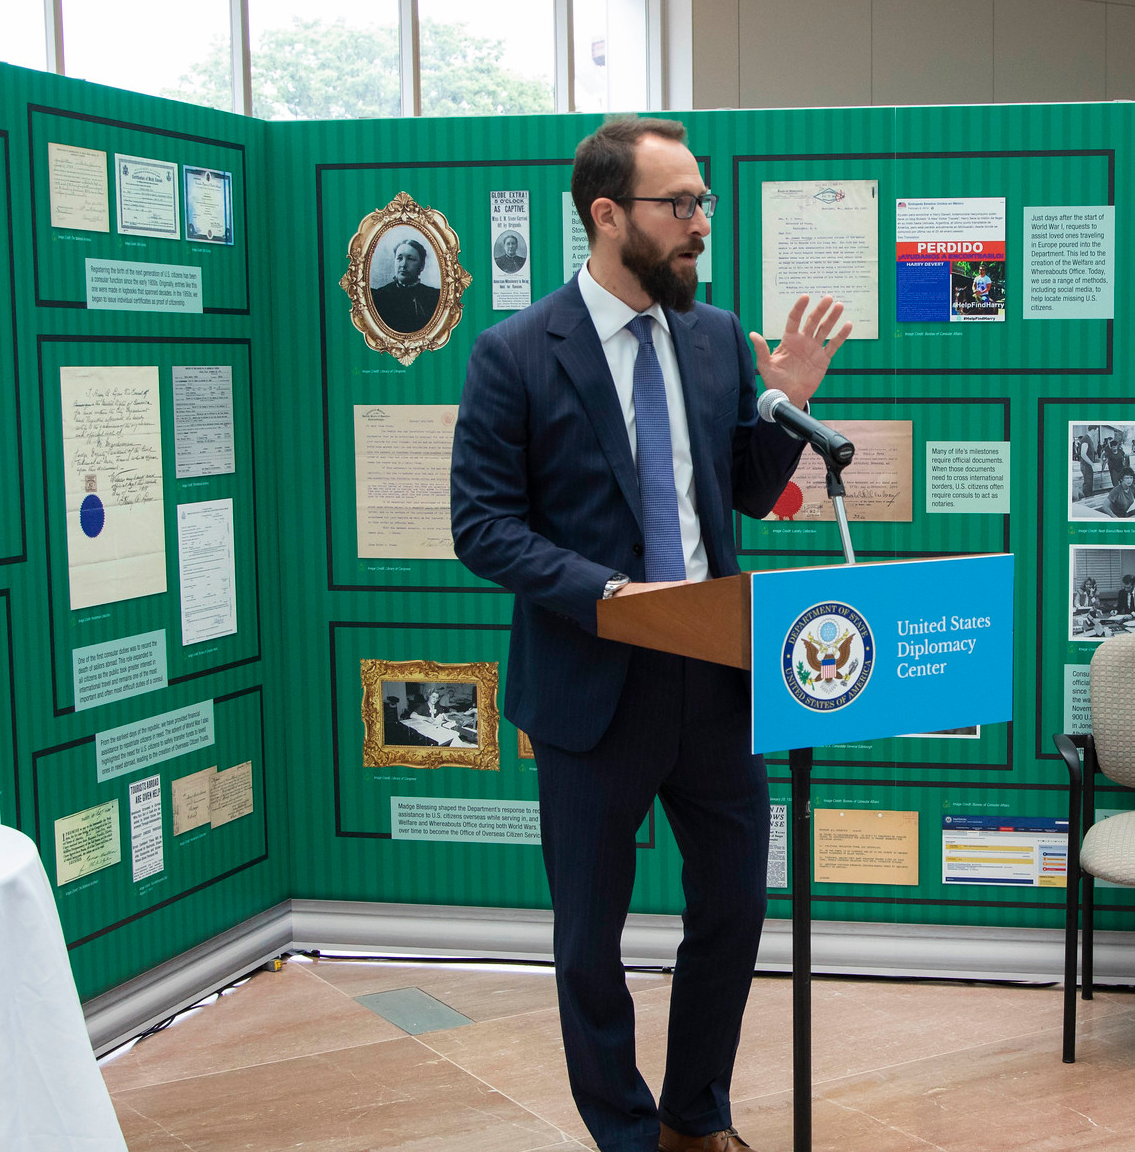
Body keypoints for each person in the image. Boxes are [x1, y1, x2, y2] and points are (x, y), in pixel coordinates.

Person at [451, 116, 851, 1152]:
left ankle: (691, 1117)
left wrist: (788, 410)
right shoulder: (514, 354)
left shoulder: (714, 337)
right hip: (593, 690)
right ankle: (625, 1135)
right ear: (605, 214)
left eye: (701, 204)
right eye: (679, 206)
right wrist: (605, 594)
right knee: (590, 940)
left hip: (716, 682)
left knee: (732, 912)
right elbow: (482, 526)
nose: (698, 226)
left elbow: (742, 492)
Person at [373, 236, 441, 333]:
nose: (403, 264)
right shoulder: (378, 297)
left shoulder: (435, 297)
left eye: (410, 259)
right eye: (399, 258)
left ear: (422, 266)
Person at [1074, 434, 1098, 501]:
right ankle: (1086, 501)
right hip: (1086, 465)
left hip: (1087, 465)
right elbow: (1083, 454)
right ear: (1094, 430)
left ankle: (1088, 499)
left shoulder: (1088, 439)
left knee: (1089, 484)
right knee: (1088, 484)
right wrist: (1092, 464)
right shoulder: (1086, 439)